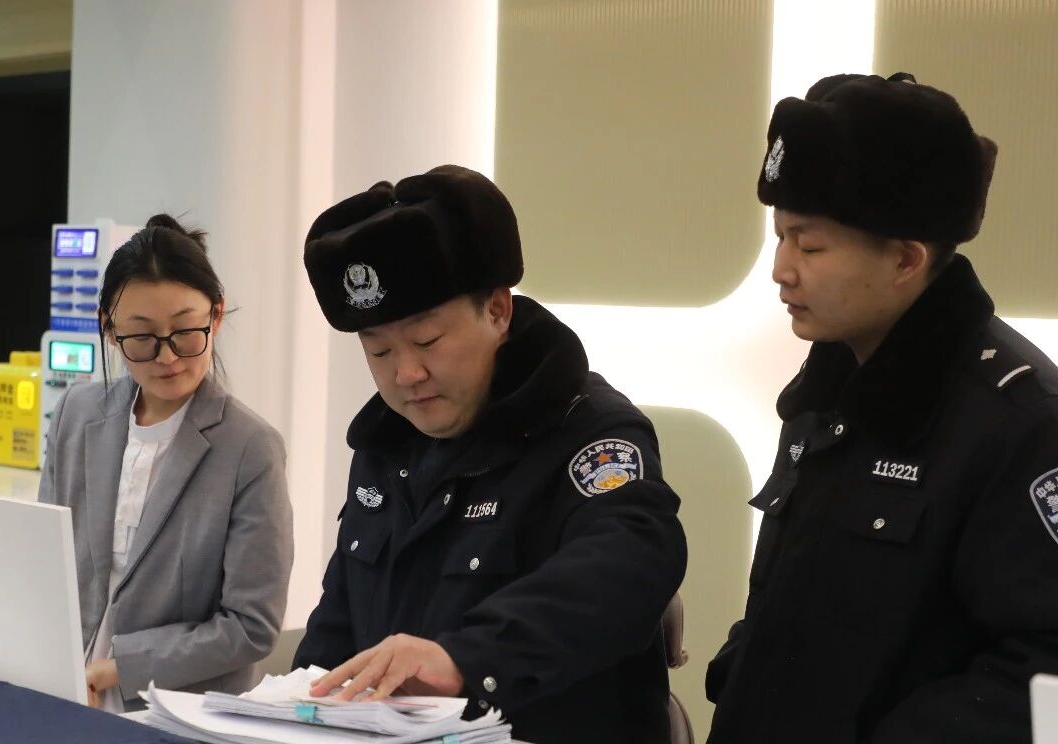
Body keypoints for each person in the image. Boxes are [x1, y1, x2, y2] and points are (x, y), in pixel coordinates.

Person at [706, 73, 1058, 743]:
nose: (781, 269)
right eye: (780, 237)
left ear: (905, 260)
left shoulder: (1020, 424)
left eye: (809, 245)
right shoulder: (827, 388)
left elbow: (1042, 669)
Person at [293, 165, 687, 744]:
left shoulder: (588, 432)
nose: (406, 374)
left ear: (498, 311)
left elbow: (631, 565)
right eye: (378, 352)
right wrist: (291, 711)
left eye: (427, 341)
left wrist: (465, 660)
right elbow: (337, 628)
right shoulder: (385, 445)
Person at [39, 214, 294, 711]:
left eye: (185, 332)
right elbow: (43, 563)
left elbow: (251, 625)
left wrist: (116, 670)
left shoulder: (250, 448)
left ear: (216, 316)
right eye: (142, 337)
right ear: (109, 330)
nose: (168, 357)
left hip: (175, 712)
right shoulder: (77, 414)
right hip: (63, 693)